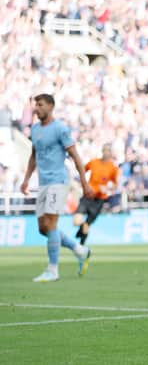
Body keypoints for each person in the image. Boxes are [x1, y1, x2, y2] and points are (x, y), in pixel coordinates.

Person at [20, 94, 94, 282]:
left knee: (51, 223)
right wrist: (26, 179)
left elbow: (75, 156)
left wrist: (84, 183)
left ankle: (53, 270)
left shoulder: (60, 128)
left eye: (40, 104)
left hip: (58, 182)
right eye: (35, 105)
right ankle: (80, 250)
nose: (37, 108)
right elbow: (33, 155)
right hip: (43, 183)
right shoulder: (35, 129)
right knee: (43, 228)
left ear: (51, 106)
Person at [73, 143, 120, 245]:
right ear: (102, 151)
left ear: (111, 153)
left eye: (108, 151)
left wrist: (107, 187)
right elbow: (82, 171)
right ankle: (81, 229)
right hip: (88, 196)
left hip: (99, 200)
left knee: (87, 225)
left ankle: (81, 246)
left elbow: (115, 185)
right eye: (104, 150)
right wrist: (83, 184)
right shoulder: (94, 162)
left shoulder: (113, 168)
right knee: (76, 221)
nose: (106, 152)